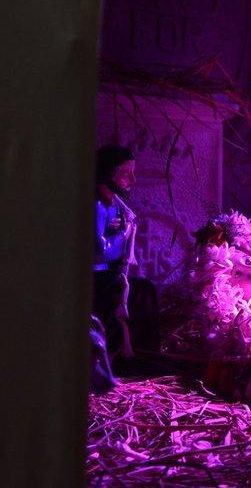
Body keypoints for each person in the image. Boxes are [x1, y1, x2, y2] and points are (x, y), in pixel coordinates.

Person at [94, 145, 160, 361]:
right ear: (109, 174)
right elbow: (97, 251)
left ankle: (145, 353)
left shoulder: (115, 205)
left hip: (108, 273)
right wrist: (123, 234)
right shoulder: (96, 205)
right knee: (138, 291)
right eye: (125, 174)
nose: (132, 180)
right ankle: (132, 355)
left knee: (145, 289)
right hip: (94, 276)